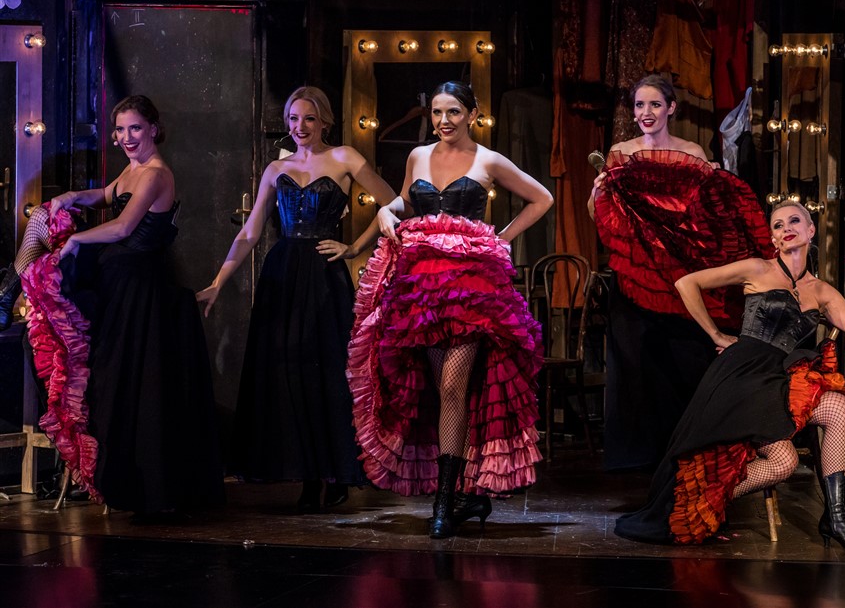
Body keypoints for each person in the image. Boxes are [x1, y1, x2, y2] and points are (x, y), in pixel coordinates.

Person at [348, 80, 553, 538]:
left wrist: (500, 238)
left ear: (472, 114)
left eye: (454, 112)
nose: (444, 120)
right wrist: (386, 212)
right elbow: (406, 200)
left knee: (454, 386)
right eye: (438, 112)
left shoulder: (488, 160)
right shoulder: (418, 156)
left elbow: (543, 198)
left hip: (471, 292)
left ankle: (443, 502)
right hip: (423, 292)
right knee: (442, 391)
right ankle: (461, 495)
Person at [614, 201, 845, 551]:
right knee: (785, 463)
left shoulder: (821, 291)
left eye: (794, 221)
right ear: (773, 238)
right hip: (741, 376)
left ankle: (836, 518)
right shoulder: (758, 268)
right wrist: (716, 334)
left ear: (811, 230)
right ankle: (700, 500)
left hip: (778, 378)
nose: (787, 228)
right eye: (778, 225)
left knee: (837, 408)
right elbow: (687, 283)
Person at [18, 94, 224, 519]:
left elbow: (123, 226)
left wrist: (77, 240)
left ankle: (136, 484)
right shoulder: (133, 169)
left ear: (153, 129)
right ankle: (14, 285)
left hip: (139, 291)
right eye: (120, 130)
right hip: (118, 283)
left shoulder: (156, 173)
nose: (126, 137)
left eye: (135, 128)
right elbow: (104, 195)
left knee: (123, 382)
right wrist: (72, 196)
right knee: (90, 369)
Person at [197, 86, 395, 513]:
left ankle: (337, 473)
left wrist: (354, 247)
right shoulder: (275, 169)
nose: (299, 127)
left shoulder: (345, 157)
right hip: (283, 274)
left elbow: (395, 204)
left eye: (308, 118)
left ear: (324, 121)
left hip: (324, 276)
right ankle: (308, 476)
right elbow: (250, 232)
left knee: (327, 372)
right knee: (287, 371)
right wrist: (218, 282)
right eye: (292, 119)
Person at [589, 74, 773, 471]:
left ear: (671, 108)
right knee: (636, 363)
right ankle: (637, 459)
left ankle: (686, 452)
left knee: (683, 362)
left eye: (654, 104)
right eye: (640, 105)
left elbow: (708, 217)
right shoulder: (621, 153)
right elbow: (600, 218)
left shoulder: (692, 152)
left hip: (680, 278)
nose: (646, 112)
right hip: (636, 278)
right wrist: (598, 192)